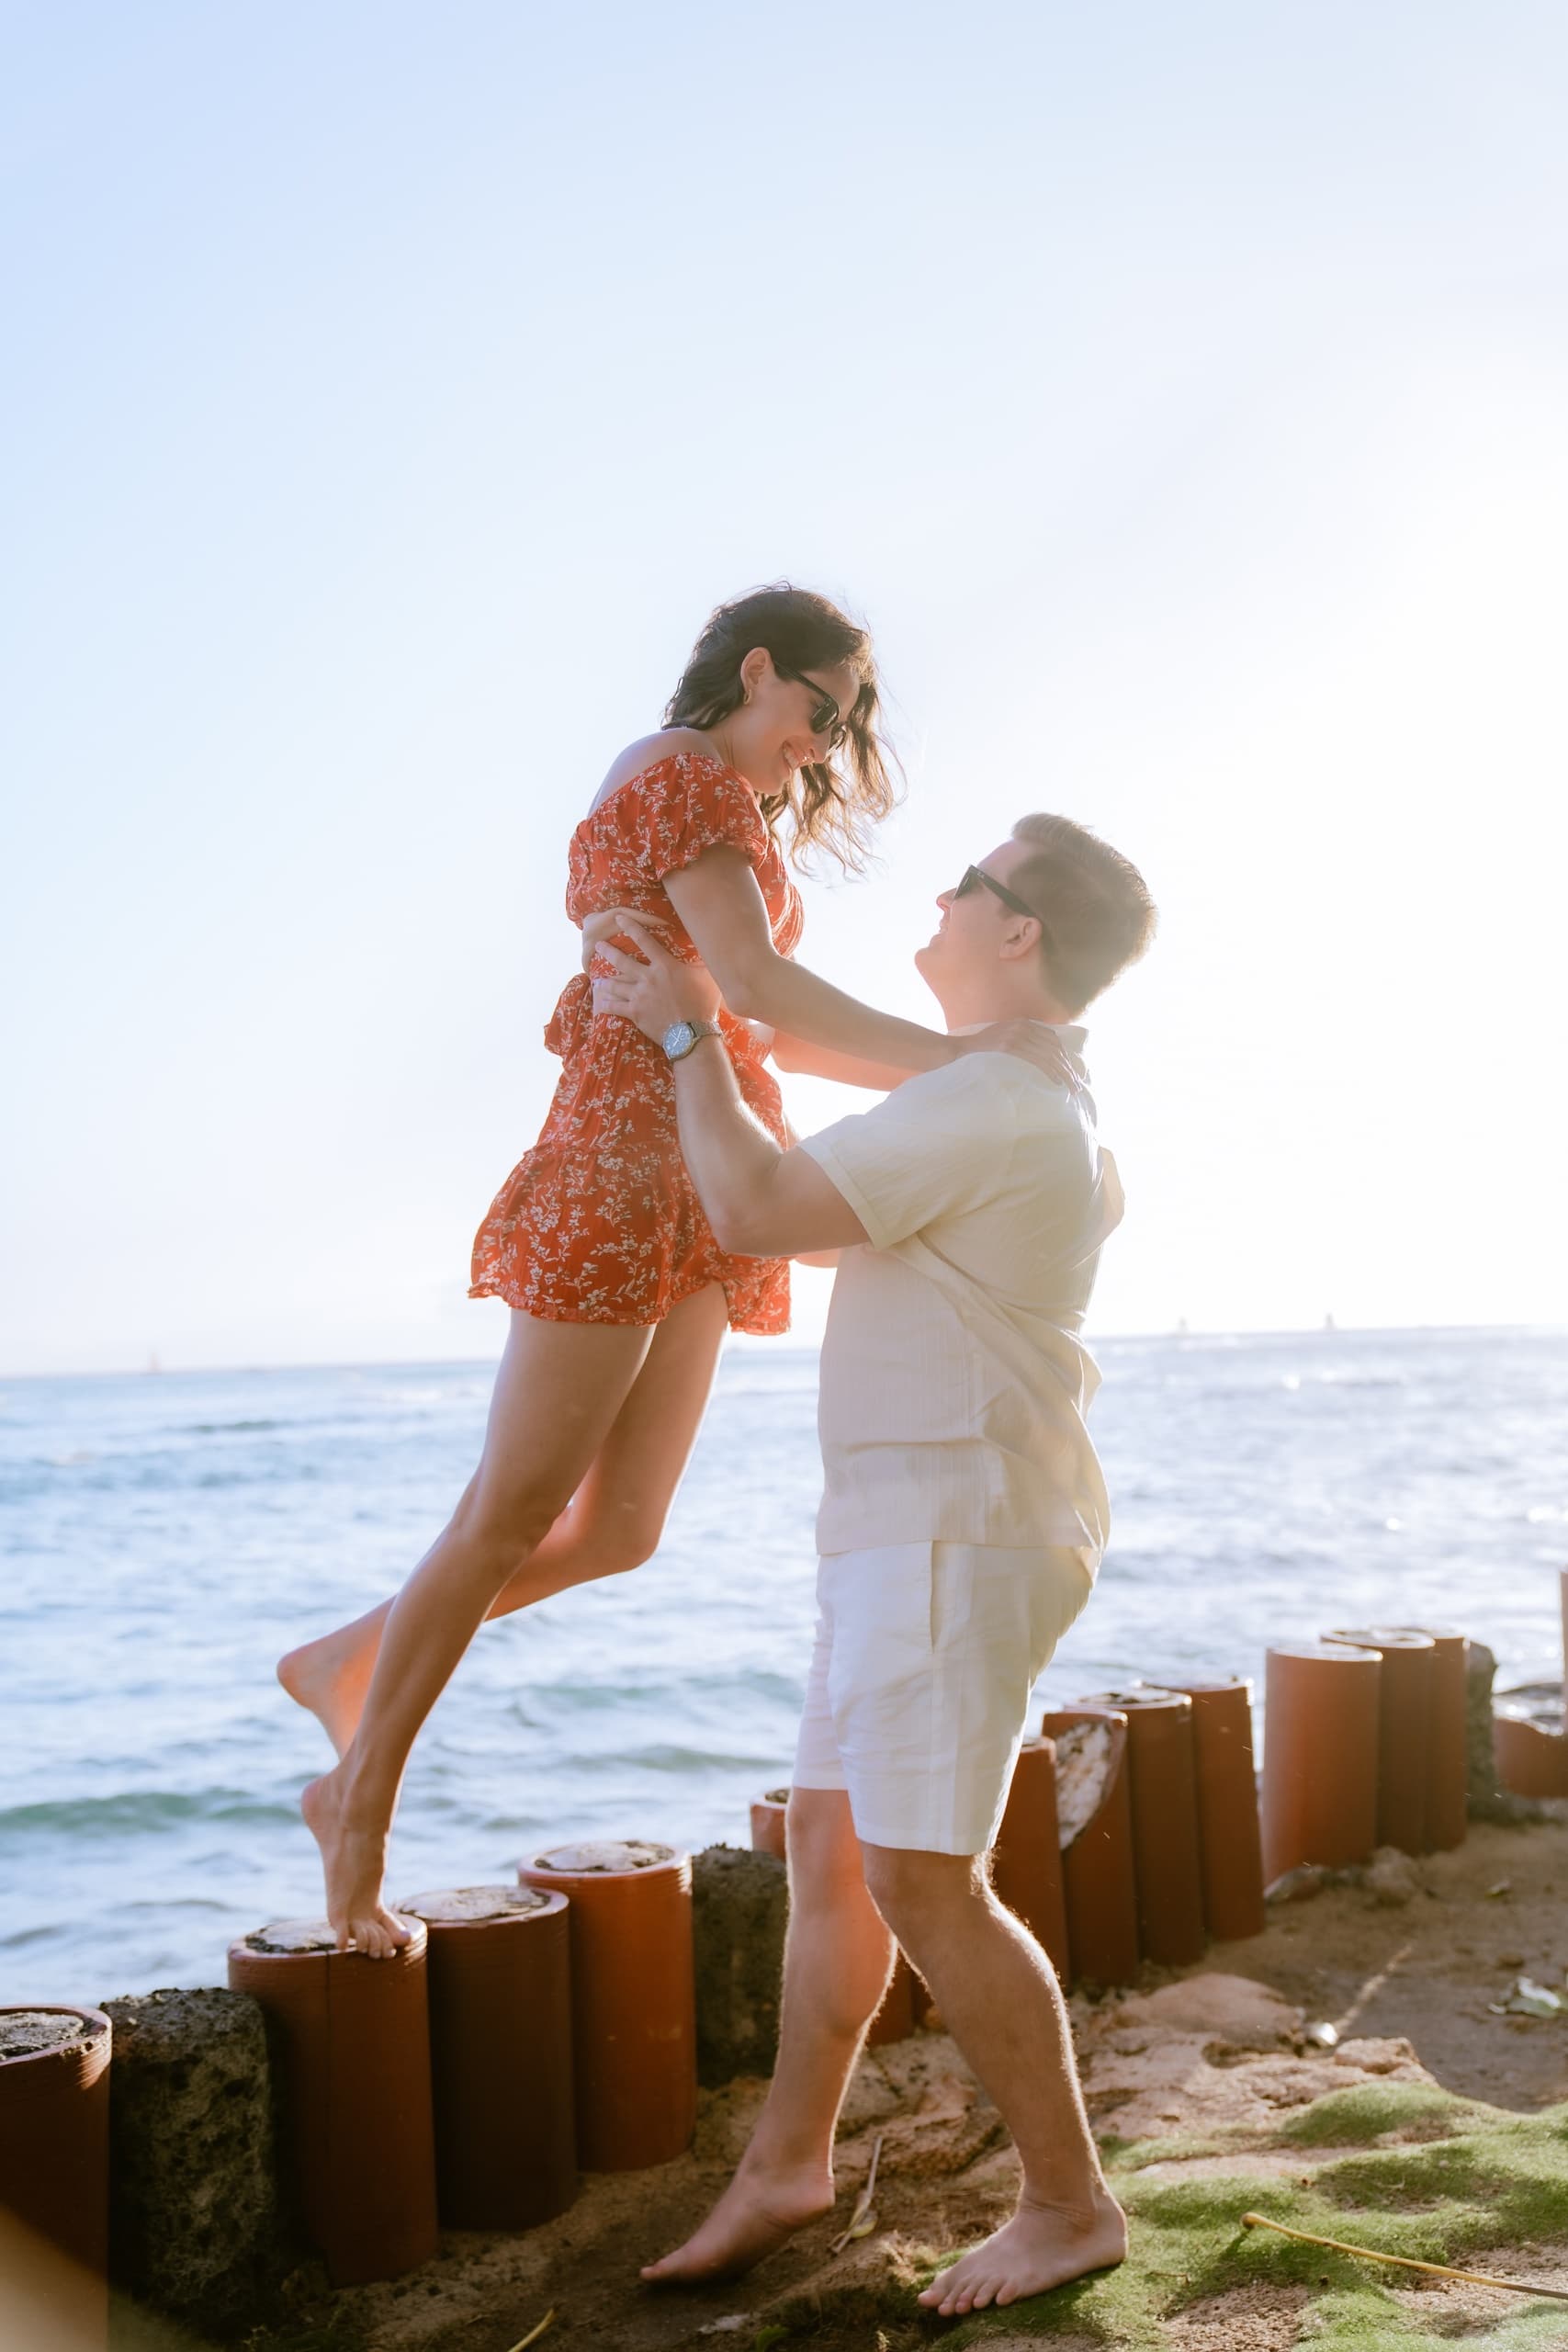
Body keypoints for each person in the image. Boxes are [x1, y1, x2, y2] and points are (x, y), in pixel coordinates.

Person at [280, 584, 1068, 1957]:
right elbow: (754, 991)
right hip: (622, 1161)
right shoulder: (683, 775)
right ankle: (356, 1809)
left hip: (702, 1173)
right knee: (510, 1508)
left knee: (623, 1527)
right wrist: (963, 1057)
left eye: (839, 729)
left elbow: (765, 1028)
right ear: (755, 670)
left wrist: (954, 1075)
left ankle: (351, 1656)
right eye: (816, 711)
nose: (819, 746)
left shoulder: (723, 806)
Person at [592, 811, 1156, 2317]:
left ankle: (1069, 2206)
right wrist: (721, 1044)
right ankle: (788, 2166)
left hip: (948, 1537)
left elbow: (759, 1207)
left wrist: (684, 1035)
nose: (941, 895)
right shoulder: (1012, 1096)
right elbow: (825, 1212)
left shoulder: (997, 1102)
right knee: (836, 1856)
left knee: (921, 1880)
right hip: (909, 1533)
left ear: (1018, 931)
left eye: (969, 881)